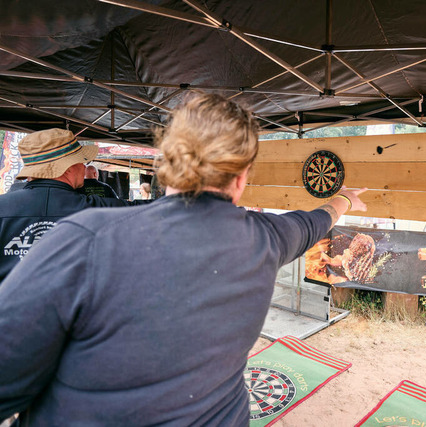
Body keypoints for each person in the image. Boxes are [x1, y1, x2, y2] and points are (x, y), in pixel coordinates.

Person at [0, 93, 367, 426]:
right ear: (241, 177)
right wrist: (345, 200)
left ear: (168, 163)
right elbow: (312, 222)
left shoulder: (86, 238)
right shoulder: (266, 237)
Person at [0, 128, 146, 282]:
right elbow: (145, 209)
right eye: (82, 161)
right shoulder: (94, 208)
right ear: (67, 168)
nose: (84, 167)